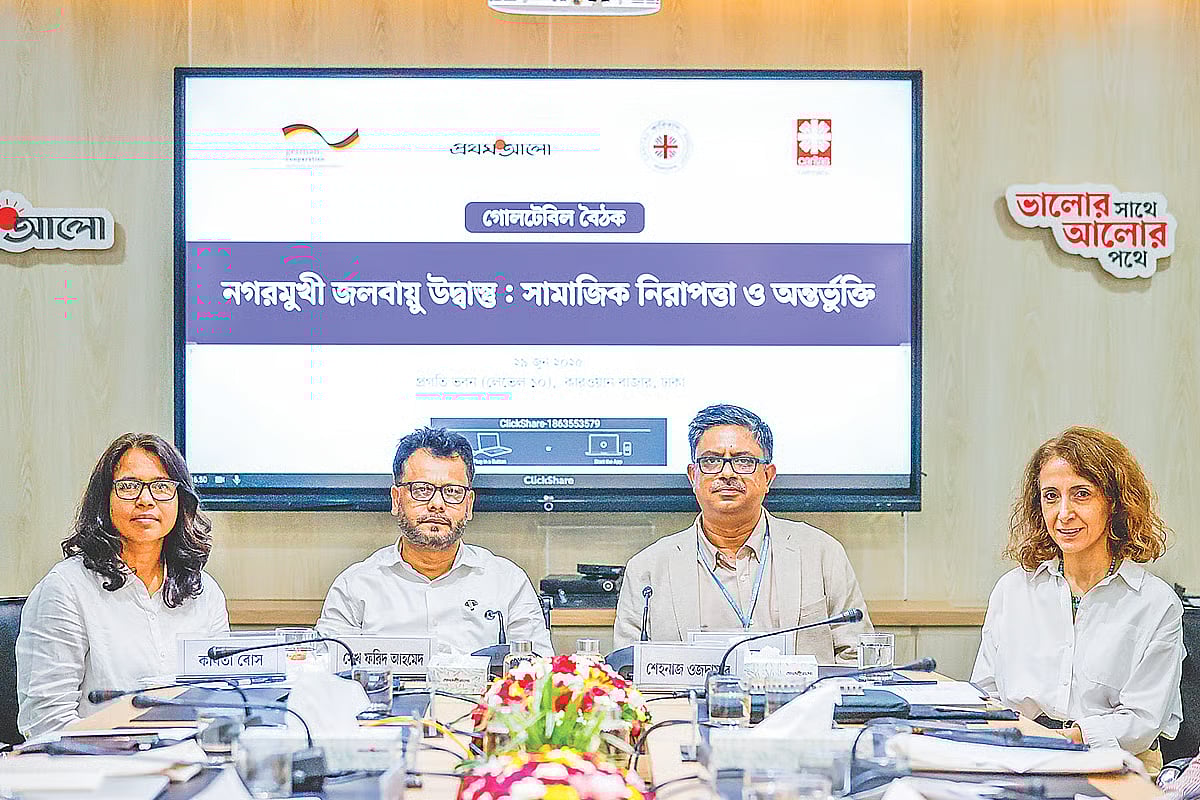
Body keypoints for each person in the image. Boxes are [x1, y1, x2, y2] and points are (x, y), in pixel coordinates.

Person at [972, 426, 1183, 774]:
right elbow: (985, 696)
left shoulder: (1156, 604)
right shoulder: (1012, 590)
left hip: (1117, 764)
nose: (1064, 512)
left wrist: (1065, 739)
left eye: (1081, 494)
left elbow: (1143, 721)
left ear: (1113, 503)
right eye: (1051, 496)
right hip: (1019, 757)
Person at [613, 404, 872, 661]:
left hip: (799, 702)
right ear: (693, 476)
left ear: (768, 476)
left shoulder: (821, 553)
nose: (727, 473)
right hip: (688, 703)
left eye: (743, 461)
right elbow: (628, 672)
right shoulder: (647, 568)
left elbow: (857, 658)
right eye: (711, 461)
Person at [17, 433, 229, 738]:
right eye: (129, 486)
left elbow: (219, 702)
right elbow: (45, 724)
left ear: (180, 501)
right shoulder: (65, 590)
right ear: (105, 500)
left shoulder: (203, 592)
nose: (146, 499)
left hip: (189, 765)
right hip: (94, 772)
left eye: (162, 487)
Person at [317, 426, 553, 656]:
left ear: (468, 505)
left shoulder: (507, 581)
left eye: (452, 492)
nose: (437, 504)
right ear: (396, 499)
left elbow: (538, 673)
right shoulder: (355, 586)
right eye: (422, 489)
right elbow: (328, 674)